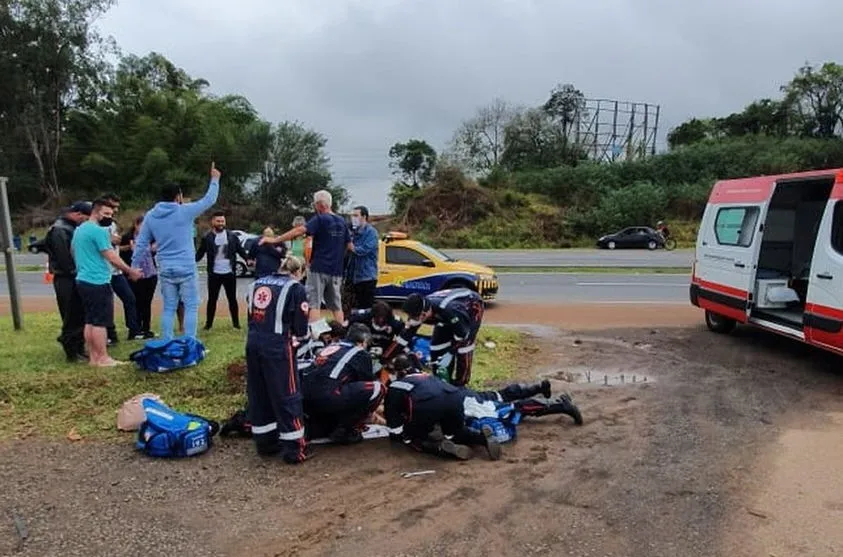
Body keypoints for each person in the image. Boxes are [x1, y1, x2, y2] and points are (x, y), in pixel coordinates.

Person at [132, 163, 220, 340]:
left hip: (165, 268)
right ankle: (189, 343)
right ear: (178, 196)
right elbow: (209, 200)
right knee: (190, 306)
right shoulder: (184, 211)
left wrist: (134, 266)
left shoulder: (150, 216)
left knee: (169, 307)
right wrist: (215, 179)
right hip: (186, 267)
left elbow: (141, 243)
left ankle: (166, 341)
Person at [244, 255, 311, 464]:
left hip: (253, 343)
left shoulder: (256, 283)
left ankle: (265, 443)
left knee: (259, 393)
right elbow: (300, 328)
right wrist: (303, 339)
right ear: (299, 272)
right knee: (287, 394)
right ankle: (295, 449)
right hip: (277, 348)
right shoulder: (295, 288)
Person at [261, 190, 352, 324]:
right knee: (336, 305)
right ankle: (341, 332)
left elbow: (299, 230)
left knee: (314, 303)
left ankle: (313, 336)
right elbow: (349, 246)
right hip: (336, 270)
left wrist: (275, 240)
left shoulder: (320, 219)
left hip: (318, 268)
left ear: (320, 205)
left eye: (315, 205)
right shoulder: (342, 222)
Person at [383, 358, 502, 461]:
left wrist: (398, 434)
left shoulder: (397, 385)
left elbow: (391, 413)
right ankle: (482, 439)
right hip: (454, 398)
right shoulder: (429, 376)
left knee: (414, 438)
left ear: (400, 372)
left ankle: (440, 448)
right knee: (455, 432)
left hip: (427, 404)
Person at [71, 198, 142, 367]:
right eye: (106, 214)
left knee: (90, 320)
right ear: (96, 212)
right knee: (100, 321)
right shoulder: (99, 232)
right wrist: (130, 271)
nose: (109, 217)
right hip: (97, 281)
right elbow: (110, 255)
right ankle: (102, 357)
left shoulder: (80, 229)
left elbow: (73, 250)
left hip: (82, 279)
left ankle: (93, 357)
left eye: (111, 214)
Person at [301, 323, 384, 443]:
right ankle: (347, 430)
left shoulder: (332, 346)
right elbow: (364, 388)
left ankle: (316, 427)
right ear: (363, 341)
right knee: (378, 388)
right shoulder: (360, 353)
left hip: (305, 396)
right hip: (328, 395)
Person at [389, 288, 485, 387]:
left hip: (470, 307)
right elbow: (403, 338)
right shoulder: (418, 312)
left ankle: (460, 385)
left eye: (415, 318)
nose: (412, 320)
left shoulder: (449, 310)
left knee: (464, 348)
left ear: (424, 314)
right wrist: (384, 360)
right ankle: (441, 383)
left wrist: (450, 353)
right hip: (445, 315)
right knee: (436, 347)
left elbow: (463, 336)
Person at [44, 201, 91, 362]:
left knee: (79, 314)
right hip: (67, 278)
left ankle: (78, 347)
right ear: (78, 214)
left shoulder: (69, 227)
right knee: (71, 315)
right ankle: (72, 351)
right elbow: (64, 258)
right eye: (85, 218)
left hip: (74, 275)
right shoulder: (60, 230)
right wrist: (76, 272)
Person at [196, 211, 248, 330]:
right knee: (212, 300)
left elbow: (240, 250)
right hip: (214, 273)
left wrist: (248, 259)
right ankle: (208, 325)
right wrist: (191, 261)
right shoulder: (207, 237)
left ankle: (236, 324)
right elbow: (199, 254)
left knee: (232, 299)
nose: (221, 223)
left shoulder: (232, 236)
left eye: (223, 221)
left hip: (229, 273)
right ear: (213, 222)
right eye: (218, 221)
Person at [102, 193, 142, 343]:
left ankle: (134, 330)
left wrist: (122, 244)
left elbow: (115, 246)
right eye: (112, 207)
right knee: (106, 304)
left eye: (117, 207)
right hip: (104, 270)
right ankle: (110, 335)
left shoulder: (113, 223)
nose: (115, 210)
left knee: (130, 298)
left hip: (116, 271)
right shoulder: (96, 225)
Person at [121, 215, 157, 339]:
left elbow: (154, 251)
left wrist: (155, 248)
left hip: (150, 273)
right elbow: (117, 251)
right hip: (135, 274)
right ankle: (134, 329)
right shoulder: (128, 238)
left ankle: (146, 329)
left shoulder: (151, 237)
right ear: (136, 225)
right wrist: (128, 248)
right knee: (134, 302)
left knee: (147, 302)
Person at [348, 205, 379, 311]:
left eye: (356, 216)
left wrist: (352, 247)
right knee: (353, 310)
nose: (353, 218)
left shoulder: (371, 233)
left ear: (364, 217)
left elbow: (364, 250)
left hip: (366, 277)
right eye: (352, 216)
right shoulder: (352, 232)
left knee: (366, 310)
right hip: (353, 277)